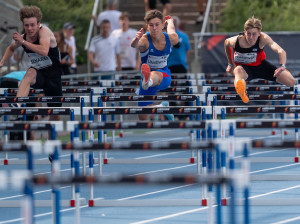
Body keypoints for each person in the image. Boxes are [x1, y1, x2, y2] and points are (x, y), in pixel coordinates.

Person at [0, 5, 63, 111]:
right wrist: (1, 62)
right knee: (30, 72)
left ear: (38, 24)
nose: (29, 29)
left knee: (55, 113)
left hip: (53, 76)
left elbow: (44, 51)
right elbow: (11, 48)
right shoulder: (23, 37)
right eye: (26, 25)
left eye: (32, 25)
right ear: (23, 25)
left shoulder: (44, 31)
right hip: (39, 75)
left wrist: (23, 42)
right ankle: (17, 104)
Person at [224, 16, 296, 104]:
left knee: (291, 82)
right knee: (238, 70)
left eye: (254, 34)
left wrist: (282, 66)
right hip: (244, 69)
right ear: (244, 32)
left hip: (261, 66)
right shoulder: (236, 41)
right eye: (248, 33)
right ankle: (242, 92)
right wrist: (230, 63)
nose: (251, 37)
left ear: (259, 33)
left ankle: (285, 72)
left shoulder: (263, 38)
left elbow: (281, 51)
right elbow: (226, 44)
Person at [131, 10, 179, 120]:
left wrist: (170, 21)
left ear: (162, 25)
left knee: (155, 74)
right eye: (151, 25)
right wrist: (136, 39)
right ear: (147, 26)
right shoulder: (145, 40)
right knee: (143, 116)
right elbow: (135, 45)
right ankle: (162, 106)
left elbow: (171, 30)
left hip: (164, 76)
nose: (154, 28)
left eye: (157, 25)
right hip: (146, 79)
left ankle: (148, 81)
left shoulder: (170, 38)